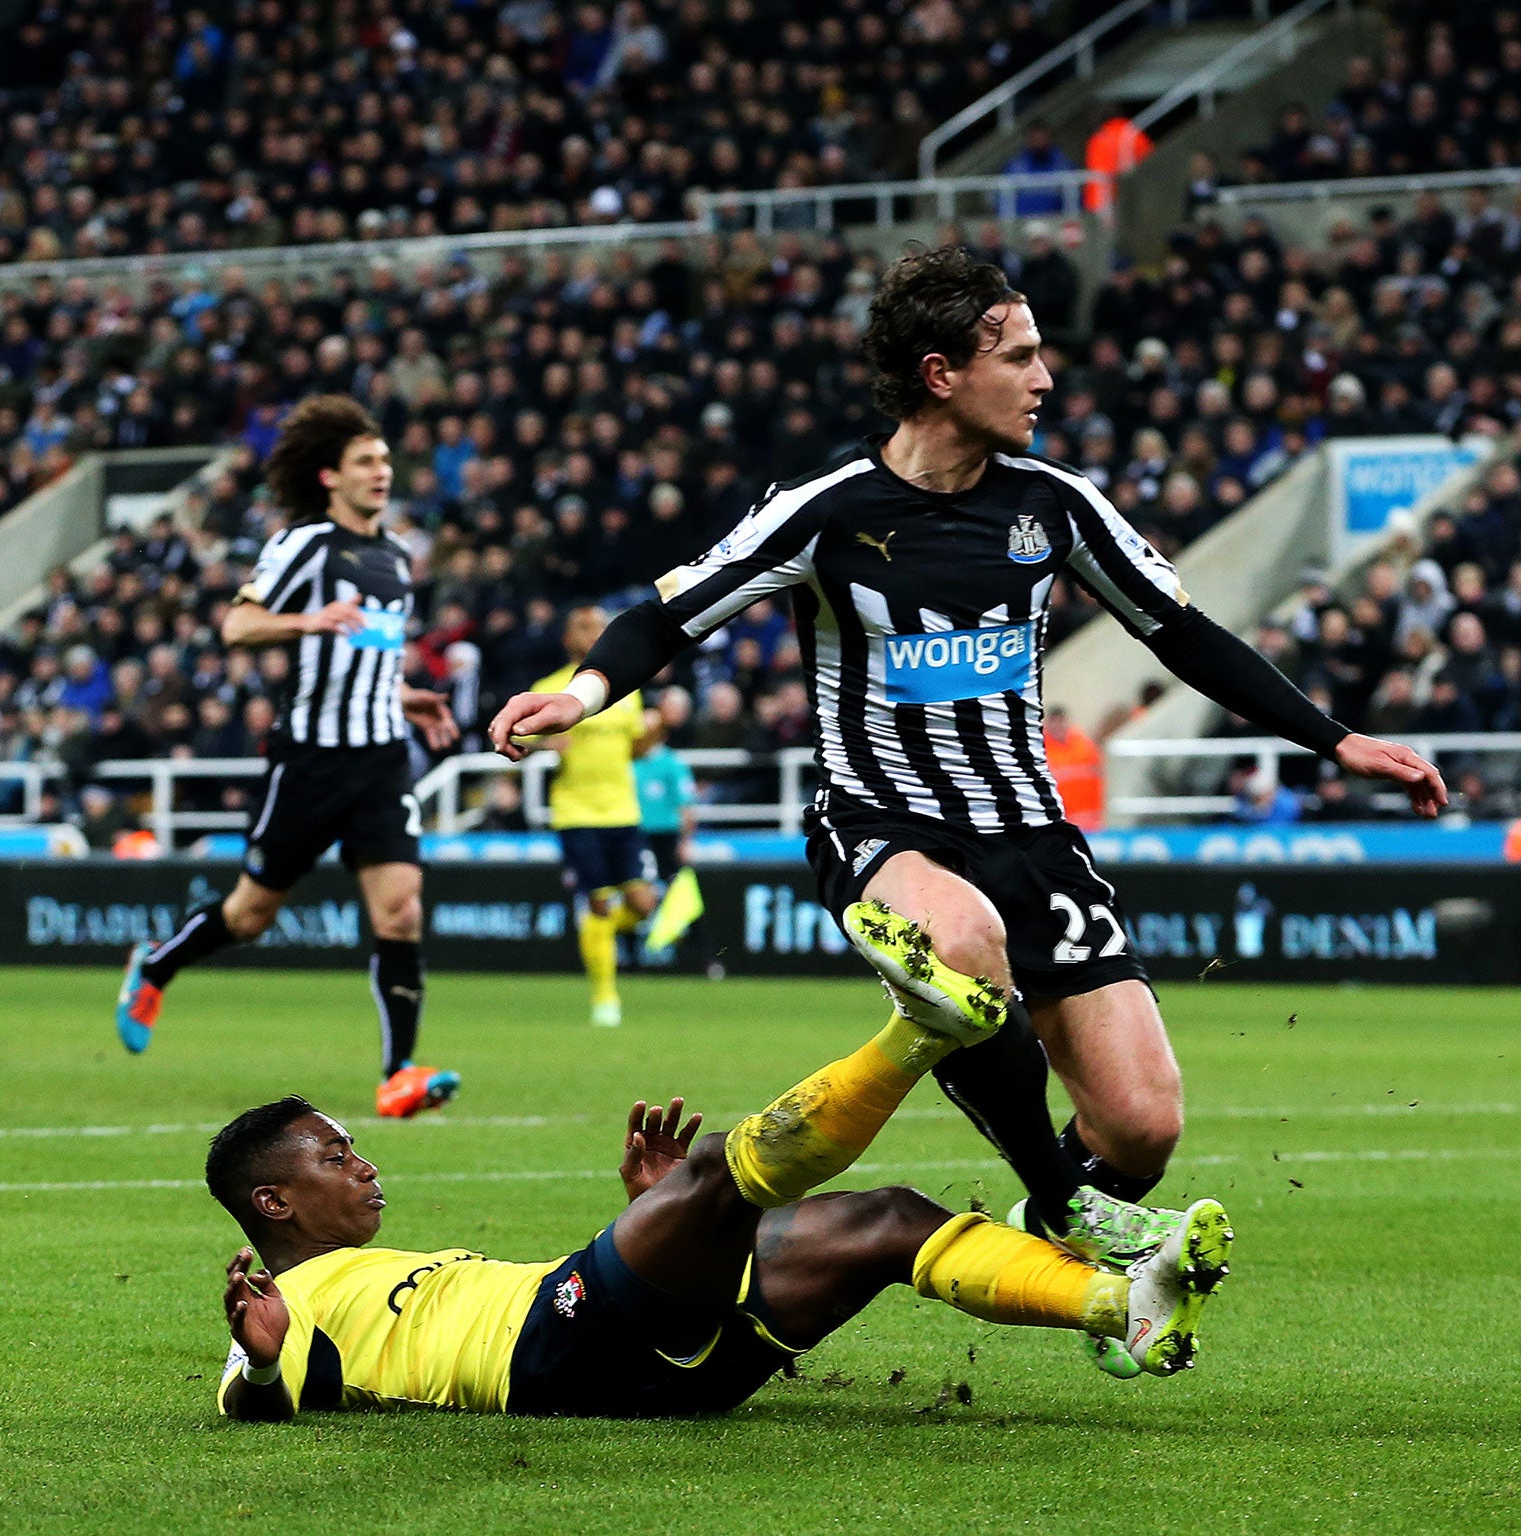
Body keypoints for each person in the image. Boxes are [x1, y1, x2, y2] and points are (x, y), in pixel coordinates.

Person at [489, 245, 1441, 1377]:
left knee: (1142, 1126)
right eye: (1020, 354)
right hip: (882, 830)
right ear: (940, 373)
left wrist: (1335, 739)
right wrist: (583, 691)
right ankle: (1065, 1210)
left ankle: (1055, 1229)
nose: (1046, 377)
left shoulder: (1054, 506)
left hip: (1034, 837)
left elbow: (1182, 636)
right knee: (962, 947)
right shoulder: (824, 513)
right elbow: (670, 614)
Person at [211, 919, 1233, 1420]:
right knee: (713, 1174)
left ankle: (1120, 1306)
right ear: (273, 1201)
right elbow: (255, 1403)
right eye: (336, 1156)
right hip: (556, 1350)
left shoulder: (372, 1266)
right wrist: (258, 1360)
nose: (364, 1163)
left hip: (628, 1345)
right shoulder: (288, 1307)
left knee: (885, 1217)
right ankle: (917, 1032)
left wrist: (648, 1228)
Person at [115, 396, 464, 1119]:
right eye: (367, 462)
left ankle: (398, 1073)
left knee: (400, 911)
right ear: (330, 474)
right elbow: (237, 625)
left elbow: (360, 658)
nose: (382, 473)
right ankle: (157, 964)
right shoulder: (303, 546)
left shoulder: (395, 558)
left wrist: (406, 696)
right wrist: (309, 617)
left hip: (379, 762)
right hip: (309, 760)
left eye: (387, 462)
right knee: (249, 916)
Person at [530, 605, 659, 1027]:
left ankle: (597, 940)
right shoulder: (550, 687)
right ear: (569, 637)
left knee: (643, 904)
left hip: (623, 809)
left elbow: (636, 749)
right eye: (585, 627)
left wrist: (657, 732)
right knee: (599, 903)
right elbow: (517, 733)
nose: (593, 634)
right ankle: (605, 996)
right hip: (577, 812)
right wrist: (546, 745)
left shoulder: (625, 688)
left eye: (599, 627)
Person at [631, 728, 715, 977]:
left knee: (684, 897)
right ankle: (634, 957)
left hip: (666, 840)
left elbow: (686, 806)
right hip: (636, 837)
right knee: (634, 895)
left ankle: (706, 958)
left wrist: (685, 840)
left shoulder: (670, 764)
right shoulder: (630, 763)